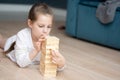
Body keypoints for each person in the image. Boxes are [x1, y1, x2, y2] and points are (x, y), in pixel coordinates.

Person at [0, 3, 65, 70]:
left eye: (49, 27)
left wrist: (61, 64)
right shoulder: (22, 36)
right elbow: (21, 63)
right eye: (41, 26)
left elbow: (53, 63)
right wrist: (36, 50)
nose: (45, 31)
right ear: (30, 23)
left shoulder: (49, 41)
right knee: (1, 41)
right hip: (13, 43)